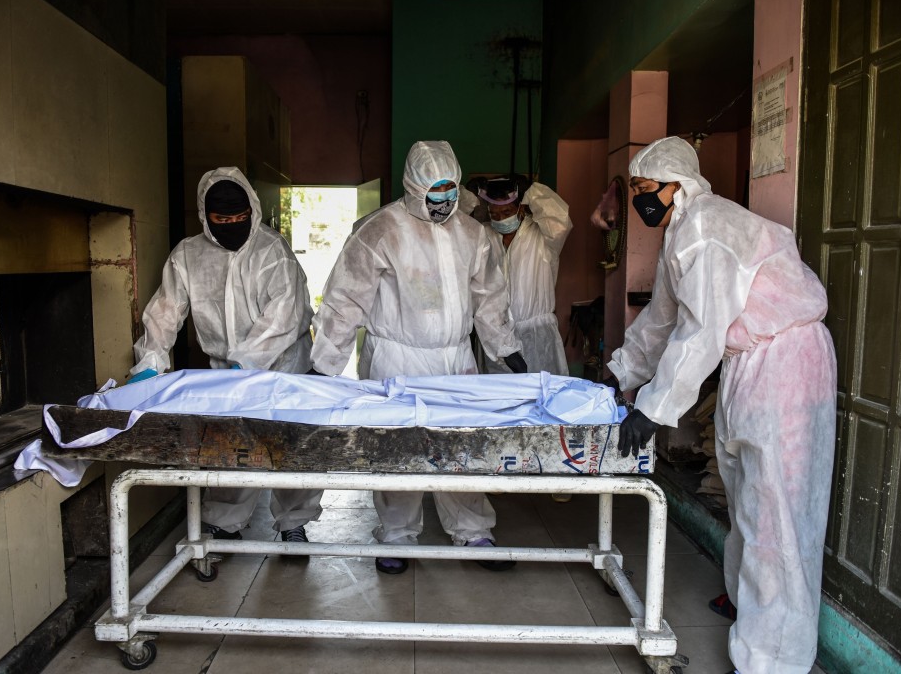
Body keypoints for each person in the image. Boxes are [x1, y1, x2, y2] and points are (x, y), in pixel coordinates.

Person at [607, 137, 836, 674]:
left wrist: (654, 408)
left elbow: (700, 332)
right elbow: (662, 321)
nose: (642, 200)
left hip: (785, 362)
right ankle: (745, 600)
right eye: (637, 190)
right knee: (744, 492)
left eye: (647, 189)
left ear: (677, 185)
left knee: (777, 514)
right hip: (746, 364)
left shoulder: (708, 227)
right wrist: (620, 375)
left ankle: (772, 659)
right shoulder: (679, 236)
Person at [310, 140, 527, 575]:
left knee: (462, 446)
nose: (444, 201)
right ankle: (396, 532)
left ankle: (472, 530)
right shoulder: (380, 230)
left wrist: (506, 349)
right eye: (435, 191)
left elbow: (489, 298)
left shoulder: (471, 233)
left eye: (451, 190)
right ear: (414, 187)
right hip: (397, 358)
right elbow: (345, 298)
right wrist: (325, 363)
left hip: (455, 358)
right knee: (396, 449)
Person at [127, 166, 324, 549]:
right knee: (232, 449)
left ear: (252, 209)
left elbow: (286, 314)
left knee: (293, 448)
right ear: (206, 216)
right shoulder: (188, 255)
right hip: (225, 372)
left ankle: (293, 523)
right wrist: (150, 361)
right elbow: (166, 310)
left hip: (284, 367)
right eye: (222, 219)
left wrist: (246, 361)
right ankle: (225, 522)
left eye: (240, 217)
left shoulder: (272, 251)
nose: (233, 225)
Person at [462, 175, 574, 501]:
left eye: (506, 210)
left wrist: (531, 189)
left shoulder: (544, 236)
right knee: (498, 408)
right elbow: (457, 228)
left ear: (520, 206)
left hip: (537, 332)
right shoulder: (482, 237)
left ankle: (558, 477)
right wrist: (470, 197)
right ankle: (501, 471)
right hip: (495, 334)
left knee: (548, 406)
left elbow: (560, 218)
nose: (499, 218)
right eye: (493, 213)